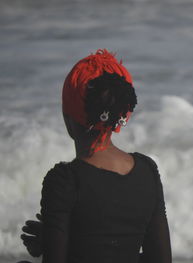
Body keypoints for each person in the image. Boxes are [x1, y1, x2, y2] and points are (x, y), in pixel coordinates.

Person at [18, 49, 172, 263]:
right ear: (122, 115)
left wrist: (52, 246)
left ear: (67, 117)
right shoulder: (147, 171)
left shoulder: (64, 181)